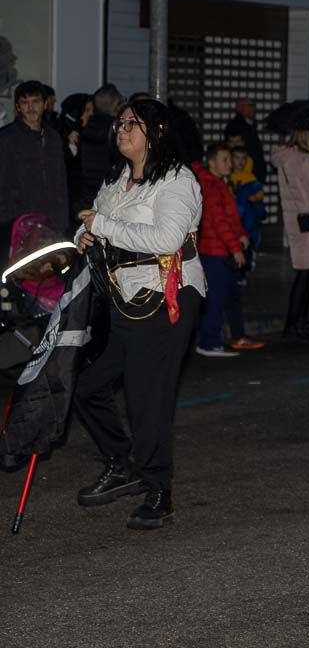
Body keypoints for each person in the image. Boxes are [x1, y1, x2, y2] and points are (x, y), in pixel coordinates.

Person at [72, 98, 205, 530]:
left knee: (148, 397)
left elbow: (168, 238)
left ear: (157, 133)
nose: (122, 129)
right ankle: (121, 462)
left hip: (167, 294)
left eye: (133, 123)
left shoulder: (177, 180)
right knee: (89, 387)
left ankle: (158, 489)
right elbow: (92, 221)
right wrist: (83, 236)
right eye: (120, 123)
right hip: (124, 298)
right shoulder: (116, 182)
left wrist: (103, 228)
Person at [192, 142, 264, 356]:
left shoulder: (220, 183)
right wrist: (235, 248)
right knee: (216, 298)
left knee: (231, 295)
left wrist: (241, 234)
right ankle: (208, 343)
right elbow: (218, 221)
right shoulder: (211, 186)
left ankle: (237, 335)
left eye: (229, 159)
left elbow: (232, 217)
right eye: (224, 159)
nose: (230, 163)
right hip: (214, 251)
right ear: (211, 162)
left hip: (221, 249)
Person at [273, 130, 309, 342]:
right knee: (307, 277)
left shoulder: (288, 159)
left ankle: (298, 323)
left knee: (305, 275)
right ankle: (296, 324)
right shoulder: (307, 161)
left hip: (298, 222)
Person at [0, 80, 70, 235]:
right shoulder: (6, 138)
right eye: (24, 102)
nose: (30, 107)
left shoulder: (54, 138)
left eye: (35, 102)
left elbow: (61, 184)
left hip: (52, 224)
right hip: (17, 225)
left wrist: (63, 225)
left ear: (45, 104)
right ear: (18, 107)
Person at [225, 97, 267, 183]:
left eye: (253, 105)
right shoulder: (236, 126)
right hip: (244, 171)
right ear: (240, 108)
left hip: (252, 171)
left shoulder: (249, 124)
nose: (254, 108)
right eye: (250, 105)